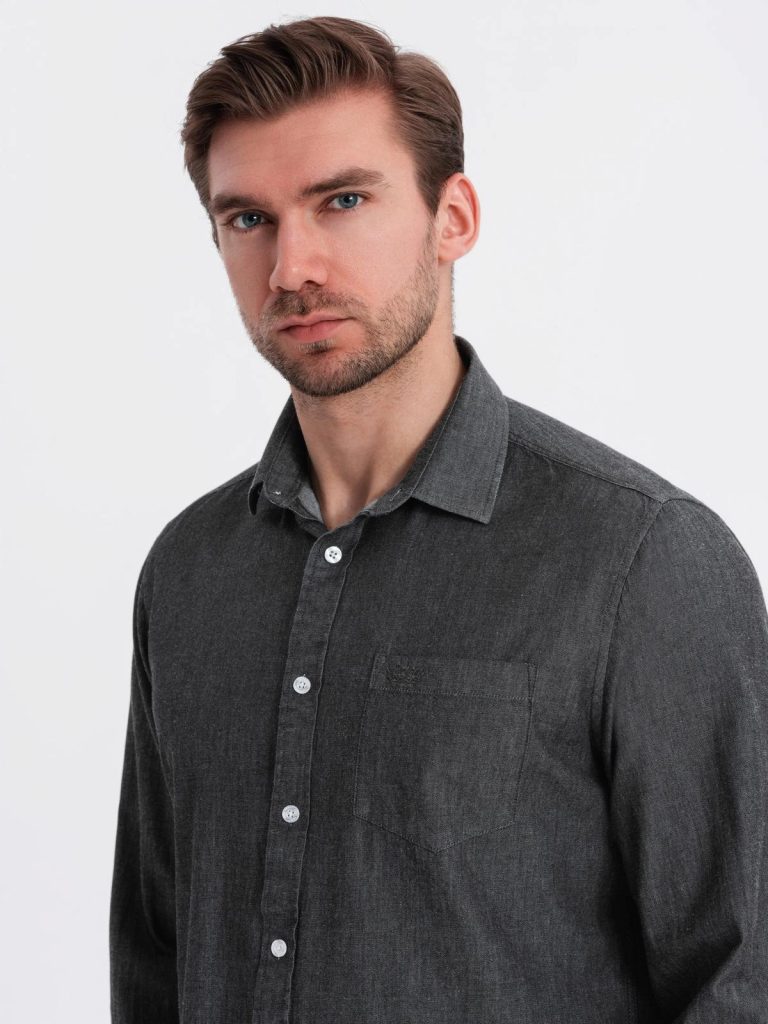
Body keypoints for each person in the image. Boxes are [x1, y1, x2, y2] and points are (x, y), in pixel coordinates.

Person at [108, 15, 768, 1024]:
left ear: (452, 217)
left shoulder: (642, 559)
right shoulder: (190, 570)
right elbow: (156, 958)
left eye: (343, 201)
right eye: (248, 219)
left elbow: (739, 980)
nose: (292, 268)